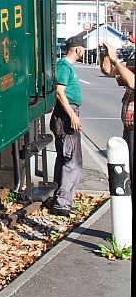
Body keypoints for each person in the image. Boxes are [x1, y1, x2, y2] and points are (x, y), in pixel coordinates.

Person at [49, 33, 86, 216]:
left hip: (65, 114)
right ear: (77, 49)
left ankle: (59, 197)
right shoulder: (64, 66)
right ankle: (63, 203)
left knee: (64, 158)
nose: (83, 52)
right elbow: (59, 92)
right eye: (83, 49)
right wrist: (72, 115)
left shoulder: (66, 66)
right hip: (65, 115)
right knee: (73, 161)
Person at [100, 40, 134, 175]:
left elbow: (132, 82)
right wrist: (105, 55)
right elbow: (108, 71)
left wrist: (115, 59)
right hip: (129, 130)